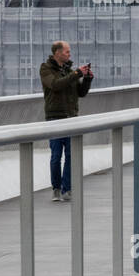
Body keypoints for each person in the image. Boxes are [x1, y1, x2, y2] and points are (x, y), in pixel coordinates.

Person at [40, 40, 94, 202]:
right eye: (67, 52)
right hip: (55, 117)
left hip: (71, 118)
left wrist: (87, 79)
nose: (69, 54)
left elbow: (80, 93)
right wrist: (76, 74)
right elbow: (56, 85)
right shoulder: (46, 69)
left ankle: (67, 189)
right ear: (57, 53)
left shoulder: (69, 70)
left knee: (70, 155)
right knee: (56, 155)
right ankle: (56, 188)